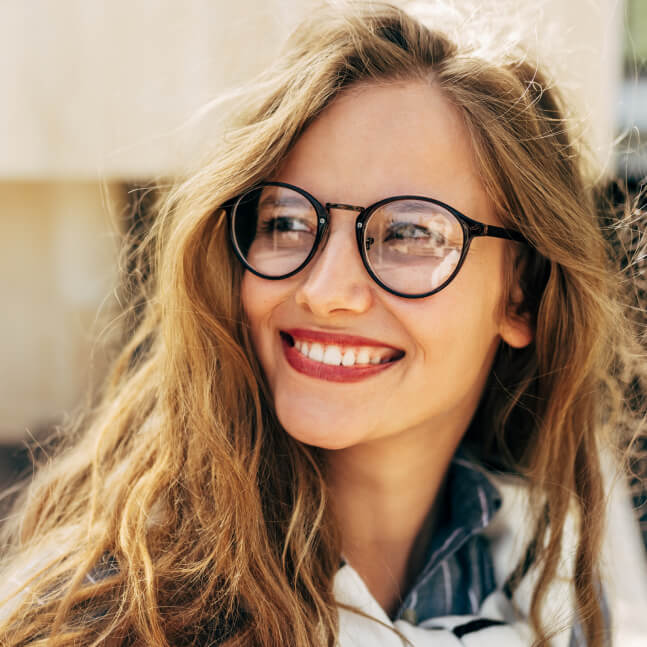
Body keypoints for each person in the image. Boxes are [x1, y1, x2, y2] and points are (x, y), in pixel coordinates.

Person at [1, 2, 645, 646]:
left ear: (522, 296)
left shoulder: (562, 588)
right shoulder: (115, 621)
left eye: (411, 232)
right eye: (287, 221)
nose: (324, 290)